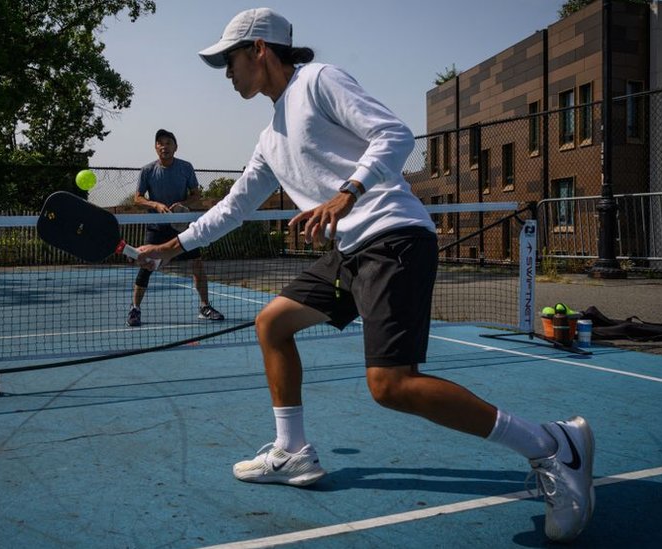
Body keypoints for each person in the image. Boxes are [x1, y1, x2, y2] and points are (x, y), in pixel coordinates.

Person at [136, 8, 594, 543]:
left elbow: (394, 135)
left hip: (392, 237)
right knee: (273, 324)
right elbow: (234, 207)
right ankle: (293, 452)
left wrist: (347, 192)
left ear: (260, 49)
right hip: (351, 250)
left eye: (229, 60)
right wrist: (173, 246)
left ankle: (552, 444)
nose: (226, 72)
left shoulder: (319, 81)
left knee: (391, 385)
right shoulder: (269, 138)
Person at [128, 128, 225, 327]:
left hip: (182, 226)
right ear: (156, 148)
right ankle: (135, 309)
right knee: (147, 267)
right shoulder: (147, 170)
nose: (165, 146)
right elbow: (137, 198)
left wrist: (183, 205)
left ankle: (204, 306)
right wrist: (155, 204)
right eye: (160, 143)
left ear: (175, 147)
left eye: (168, 143)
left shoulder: (186, 168)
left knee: (197, 264)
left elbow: (196, 195)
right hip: (157, 226)